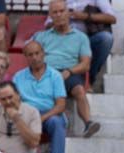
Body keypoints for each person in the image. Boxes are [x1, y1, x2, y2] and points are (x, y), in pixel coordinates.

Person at [33, 0, 101, 139]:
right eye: (55, 12)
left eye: (62, 11)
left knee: (79, 90)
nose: (59, 15)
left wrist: (69, 71)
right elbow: (32, 57)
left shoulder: (81, 37)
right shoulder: (41, 36)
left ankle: (88, 123)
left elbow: (86, 64)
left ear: (68, 13)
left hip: (69, 72)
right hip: (47, 72)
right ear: (50, 15)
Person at [12, 41, 69, 153]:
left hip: (49, 113)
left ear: (43, 54)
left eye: (37, 53)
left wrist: (41, 118)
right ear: (25, 56)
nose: (35, 57)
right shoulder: (18, 77)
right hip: (27, 113)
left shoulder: (55, 75)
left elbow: (61, 105)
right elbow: (14, 102)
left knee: (57, 122)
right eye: (30, 54)